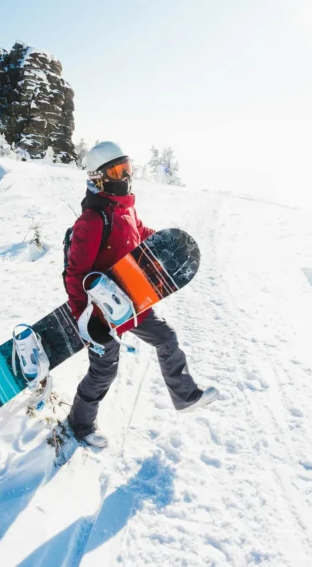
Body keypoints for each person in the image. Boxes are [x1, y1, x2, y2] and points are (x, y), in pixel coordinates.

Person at [64, 141, 218, 448]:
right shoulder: (92, 221)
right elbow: (74, 274)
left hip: (130, 300)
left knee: (166, 338)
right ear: (99, 177)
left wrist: (165, 243)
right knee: (104, 371)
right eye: (118, 171)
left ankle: (185, 397)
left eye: (128, 168)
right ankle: (79, 425)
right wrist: (85, 319)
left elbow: (137, 231)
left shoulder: (124, 207)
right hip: (99, 314)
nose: (126, 176)